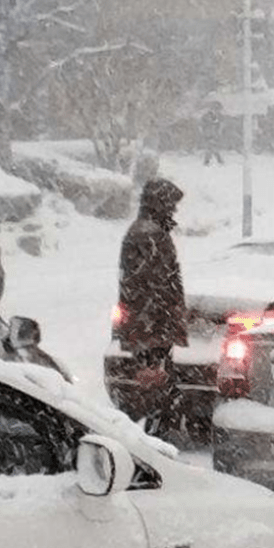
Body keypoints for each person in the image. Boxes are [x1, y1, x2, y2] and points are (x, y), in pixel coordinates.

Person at [116, 177, 188, 429]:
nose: (174, 210)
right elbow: (154, 289)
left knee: (153, 391)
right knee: (155, 393)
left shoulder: (146, 232)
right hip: (152, 330)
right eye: (171, 204)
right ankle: (151, 442)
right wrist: (157, 335)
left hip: (149, 329)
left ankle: (151, 432)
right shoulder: (150, 236)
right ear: (160, 204)